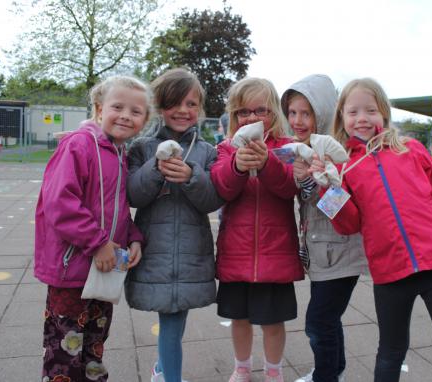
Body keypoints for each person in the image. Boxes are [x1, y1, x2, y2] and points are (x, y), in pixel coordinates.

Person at [312, 78, 432, 382]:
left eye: (370, 110)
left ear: (384, 113)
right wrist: (327, 188)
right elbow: (348, 224)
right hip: (390, 274)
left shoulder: (411, 150)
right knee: (390, 354)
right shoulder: (345, 167)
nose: (362, 118)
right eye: (353, 112)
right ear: (342, 119)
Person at [34, 75, 149, 382]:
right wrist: (98, 243)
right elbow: (60, 202)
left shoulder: (120, 153)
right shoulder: (79, 145)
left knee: (94, 345)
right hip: (72, 268)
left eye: (136, 111)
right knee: (65, 349)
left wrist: (134, 238)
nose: (126, 115)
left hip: (105, 270)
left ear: (145, 120)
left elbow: (118, 209)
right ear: (99, 109)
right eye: (117, 106)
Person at [125, 68, 224, 382]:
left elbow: (212, 201)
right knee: (170, 320)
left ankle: (162, 367)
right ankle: (169, 375)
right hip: (155, 250)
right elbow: (133, 195)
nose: (184, 110)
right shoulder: (142, 148)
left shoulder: (208, 152)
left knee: (175, 318)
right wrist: (155, 168)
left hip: (192, 253)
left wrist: (192, 177)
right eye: (175, 103)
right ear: (160, 105)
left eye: (192, 104)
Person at [211, 77, 304, 382]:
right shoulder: (225, 148)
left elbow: (288, 186)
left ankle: (274, 371)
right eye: (243, 111)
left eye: (260, 110)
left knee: (273, 322)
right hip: (236, 251)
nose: (251, 118)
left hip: (275, 251)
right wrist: (238, 166)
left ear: (274, 113)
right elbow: (222, 188)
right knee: (239, 318)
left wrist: (266, 164)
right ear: (234, 116)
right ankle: (242, 367)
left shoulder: (288, 147)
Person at [281, 74, 366, 382]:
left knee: (318, 323)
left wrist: (321, 180)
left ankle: (326, 376)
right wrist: (304, 179)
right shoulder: (302, 148)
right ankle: (333, 370)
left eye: (306, 112)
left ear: (324, 112)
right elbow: (307, 199)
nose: (298, 120)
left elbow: (340, 209)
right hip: (321, 251)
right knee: (329, 319)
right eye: (292, 112)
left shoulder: (336, 151)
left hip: (342, 251)